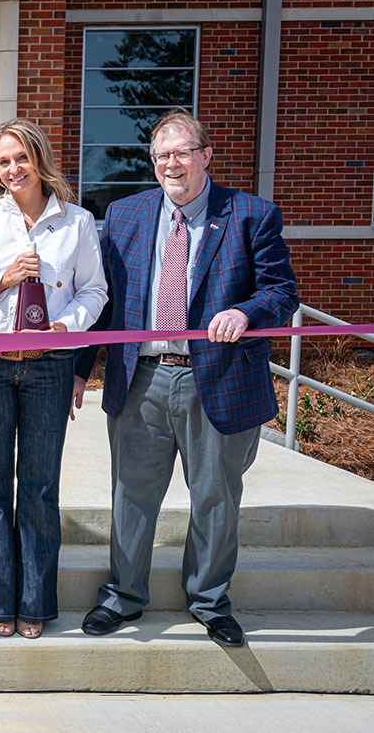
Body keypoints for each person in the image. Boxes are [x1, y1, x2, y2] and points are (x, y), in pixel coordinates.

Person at [74, 109, 298, 648]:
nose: (171, 164)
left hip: (215, 380)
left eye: (181, 152)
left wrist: (246, 313)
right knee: (131, 495)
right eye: (161, 155)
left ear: (205, 156)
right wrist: (81, 371)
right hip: (141, 378)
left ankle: (209, 601)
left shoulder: (250, 215)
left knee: (216, 498)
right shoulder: (125, 216)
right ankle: (123, 597)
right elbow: (103, 304)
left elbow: (281, 290)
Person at [0, 119, 107, 639]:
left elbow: (95, 291)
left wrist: (66, 327)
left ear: (39, 159)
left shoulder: (77, 223)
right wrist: (3, 279)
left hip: (49, 364)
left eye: (21, 157)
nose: (13, 169)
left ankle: (36, 602)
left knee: (41, 487)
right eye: (3, 162)